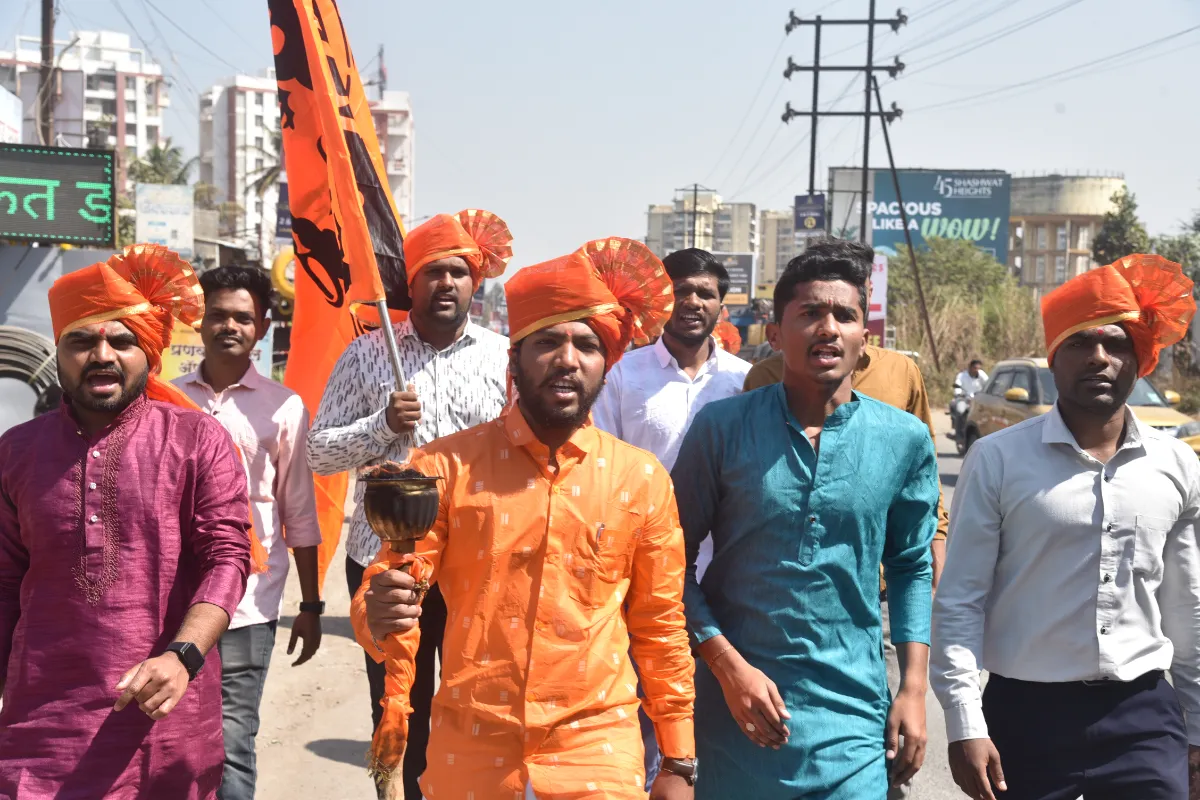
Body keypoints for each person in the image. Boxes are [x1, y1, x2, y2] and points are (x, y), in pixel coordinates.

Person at [353, 237, 696, 799]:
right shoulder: (444, 466)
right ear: (514, 359)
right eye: (548, 342)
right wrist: (379, 611)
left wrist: (679, 760)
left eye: (587, 344)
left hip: (597, 752)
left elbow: (660, 627)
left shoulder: (641, 480)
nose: (567, 359)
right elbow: (387, 594)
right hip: (472, 752)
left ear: (606, 365)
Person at [673, 238, 939, 799]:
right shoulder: (721, 428)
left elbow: (912, 566)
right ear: (775, 334)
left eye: (845, 315)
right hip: (735, 711)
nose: (829, 327)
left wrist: (913, 690)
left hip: (852, 716)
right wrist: (724, 664)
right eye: (810, 313)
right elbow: (668, 561)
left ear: (865, 336)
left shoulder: (904, 439)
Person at [931, 254, 1200, 800]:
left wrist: (1196, 725)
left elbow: (1187, 606)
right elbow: (960, 599)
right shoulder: (998, 459)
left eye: (1117, 342)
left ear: (1140, 358)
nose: (1099, 358)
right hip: (1026, 715)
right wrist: (965, 723)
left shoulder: (1176, 465)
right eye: (1079, 342)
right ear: (1053, 359)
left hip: (1143, 715)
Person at [0, 244, 253, 798]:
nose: (103, 355)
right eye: (82, 340)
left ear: (150, 351)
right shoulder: (17, 452)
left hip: (162, 718)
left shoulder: (196, 440)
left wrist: (183, 656)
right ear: (59, 352)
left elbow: (228, 559)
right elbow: (3, 584)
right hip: (40, 730)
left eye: (122, 339)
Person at [307, 209, 513, 800]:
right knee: (401, 712)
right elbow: (319, 453)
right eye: (432, 272)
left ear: (477, 283)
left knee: (478, 707)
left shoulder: (503, 358)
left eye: (458, 272)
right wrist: (380, 425)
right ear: (409, 283)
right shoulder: (368, 355)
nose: (445, 283)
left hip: (477, 564)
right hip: (387, 565)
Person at [591, 246, 750, 786]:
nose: (692, 302)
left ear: (721, 307)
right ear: (663, 300)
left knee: (717, 708)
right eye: (681, 291)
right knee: (647, 708)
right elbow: (601, 469)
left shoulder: (747, 382)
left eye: (705, 293)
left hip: (726, 572)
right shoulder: (622, 376)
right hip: (640, 571)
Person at [174, 265, 323, 800]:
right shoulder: (166, 401)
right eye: (218, 315)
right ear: (199, 320)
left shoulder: (283, 407)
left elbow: (299, 512)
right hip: (176, 599)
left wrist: (309, 604)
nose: (229, 326)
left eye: (243, 317)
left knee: (232, 741)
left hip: (250, 604)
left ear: (262, 326)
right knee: (169, 739)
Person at [950, 359, 988, 441]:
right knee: (960, 411)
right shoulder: (962, 375)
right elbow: (958, 385)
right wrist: (958, 393)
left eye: (978, 368)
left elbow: (988, 384)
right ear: (970, 367)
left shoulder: (981, 375)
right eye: (975, 368)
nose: (976, 370)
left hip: (977, 400)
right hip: (964, 399)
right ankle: (959, 435)